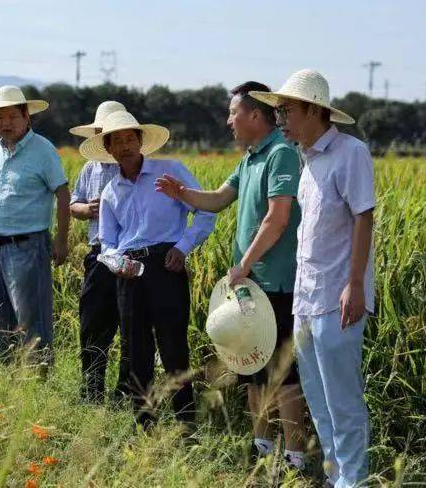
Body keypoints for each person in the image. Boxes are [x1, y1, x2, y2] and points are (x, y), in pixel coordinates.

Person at [156, 81, 307, 471]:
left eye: (233, 112)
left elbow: (278, 217)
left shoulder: (281, 155)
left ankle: (294, 457)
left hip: (276, 282)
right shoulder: (251, 158)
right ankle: (263, 449)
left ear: (255, 115)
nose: (228, 121)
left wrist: (245, 263)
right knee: (253, 368)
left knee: (284, 376)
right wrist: (183, 194)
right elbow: (220, 198)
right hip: (251, 286)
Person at [251, 69, 375, 488]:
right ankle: (335, 475)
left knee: (342, 400)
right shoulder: (306, 162)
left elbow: (363, 218)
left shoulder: (350, 152)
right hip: (306, 299)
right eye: (279, 111)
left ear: (314, 110)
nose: (281, 119)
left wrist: (355, 284)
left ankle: (352, 481)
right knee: (318, 400)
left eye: (287, 110)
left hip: (338, 298)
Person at [80, 110, 216, 428]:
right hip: (129, 272)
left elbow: (206, 212)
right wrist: (118, 263)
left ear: (141, 141)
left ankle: (185, 423)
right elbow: (107, 242)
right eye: (118, 141)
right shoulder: (111, 190)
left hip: (166, 264)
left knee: (173, 347)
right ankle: (143, 424)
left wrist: (182, 248)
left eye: (131, 138)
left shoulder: (169, 172)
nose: (126, 146)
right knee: (135, 349)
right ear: (109, 149)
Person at [0, 85, 70, 366]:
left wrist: (61, 241)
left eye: (12, 117)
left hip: (28, 247)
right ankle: (13, 380)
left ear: (27, 117)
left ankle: (39, 382)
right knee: (0, 318)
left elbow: (62, 194)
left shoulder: (43, 150)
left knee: (31, 320)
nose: (5, 124)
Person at [69, 101, 130, 403]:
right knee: (93, 325)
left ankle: (125, 392)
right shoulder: (89, 168)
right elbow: (74, 204)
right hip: (97, 256)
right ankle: (91, 390)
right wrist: (86, 209)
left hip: (129, 256)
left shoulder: (130, 165)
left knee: (130, 328)